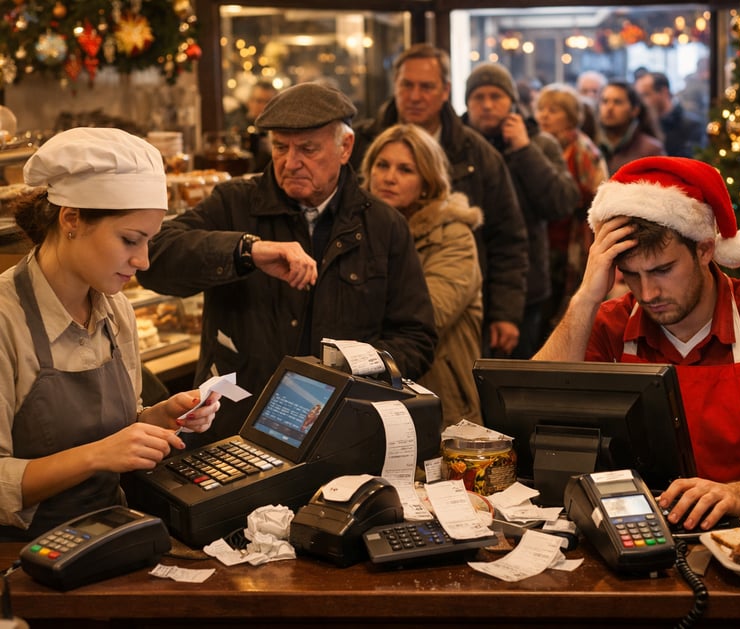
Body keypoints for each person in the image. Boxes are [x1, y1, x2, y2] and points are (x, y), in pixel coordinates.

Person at [137, 82, 437, 445]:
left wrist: (347, 374)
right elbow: (153, 256)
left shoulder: (384, 225)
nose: (290, 162)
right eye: (280, 147)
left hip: (342, 431)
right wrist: (247, 250)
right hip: (236, 429)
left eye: (308, 149)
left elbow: (415, 338)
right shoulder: (234, 204)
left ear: (346, 147)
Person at [0, 127, 222, 541]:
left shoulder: (115, 309)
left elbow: (116, 426)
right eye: (129, 240)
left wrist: (155, 419)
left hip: (109, 537)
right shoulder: (5, 320)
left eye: (150, 242)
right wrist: (98, 455)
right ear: (71, 219)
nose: (143, 260)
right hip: (24, 560)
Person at [533, 155, 740, 531]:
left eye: (662, 270)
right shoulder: (610, 323)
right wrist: (585, 299)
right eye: (631, 275)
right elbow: (535, 403)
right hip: (634, 533)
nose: (648, 292)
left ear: (705, 250)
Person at [351, 43, 529, 358]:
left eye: (426, 87)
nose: (415, 96)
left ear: (445, 90)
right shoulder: (361, 142)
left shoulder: (476, 153)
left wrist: (505, 312)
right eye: (407, 85)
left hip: (452, 299)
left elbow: (507, 238)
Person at [361, 123, 483, 427]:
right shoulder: (356, 231)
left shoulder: (453, 235)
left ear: (427, 181)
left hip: (439, 397)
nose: (389, 178)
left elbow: (428, 315)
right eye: (382, 165)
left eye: (406, 170)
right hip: (369, 393)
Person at [462, 63, 579, 358]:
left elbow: (562, 203)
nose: (487, 105)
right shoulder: (457, 146)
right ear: (466, 103)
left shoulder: (540, 143)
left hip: (525, 287)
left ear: (512, 102)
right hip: (464, 283)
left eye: (496, 96)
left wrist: (525, 151)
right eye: (478, 97)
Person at [534, 82, 609, 339]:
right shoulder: (537, 145)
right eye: (541, 109)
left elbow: (599, 193)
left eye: (553, 110)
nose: (544, 115)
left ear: (570, 115)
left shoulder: (582, 149)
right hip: (545, 237)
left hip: (574, 239)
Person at [596, 79, 666, 174]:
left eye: (617, 102)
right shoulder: (590, 143)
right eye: (604, 101)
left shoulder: (650, 150)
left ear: (635, 110)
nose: (609, 108)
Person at [634, 71, 706, 158]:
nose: (641, 102)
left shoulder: (692, 125)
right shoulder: (638, 125)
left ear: (664, 92)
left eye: (646, 95)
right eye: (638, 97)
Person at [245, 80, 279, 171]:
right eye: (259, 101)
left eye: (268, 102)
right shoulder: (239, 127)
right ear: (249, 102)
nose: (264, 107)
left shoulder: (279, 130)